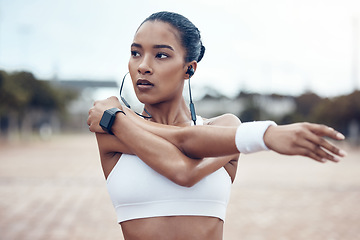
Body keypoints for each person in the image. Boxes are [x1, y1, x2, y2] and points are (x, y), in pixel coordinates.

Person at [87, 11, 346, 240]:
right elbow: (182, 165)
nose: (143, 66)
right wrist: (262, 136)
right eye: (135, 53)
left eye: (161, 55)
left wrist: (122, 119)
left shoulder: (115, 121)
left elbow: (187, 163)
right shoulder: (109, 131)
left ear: (189, 69)